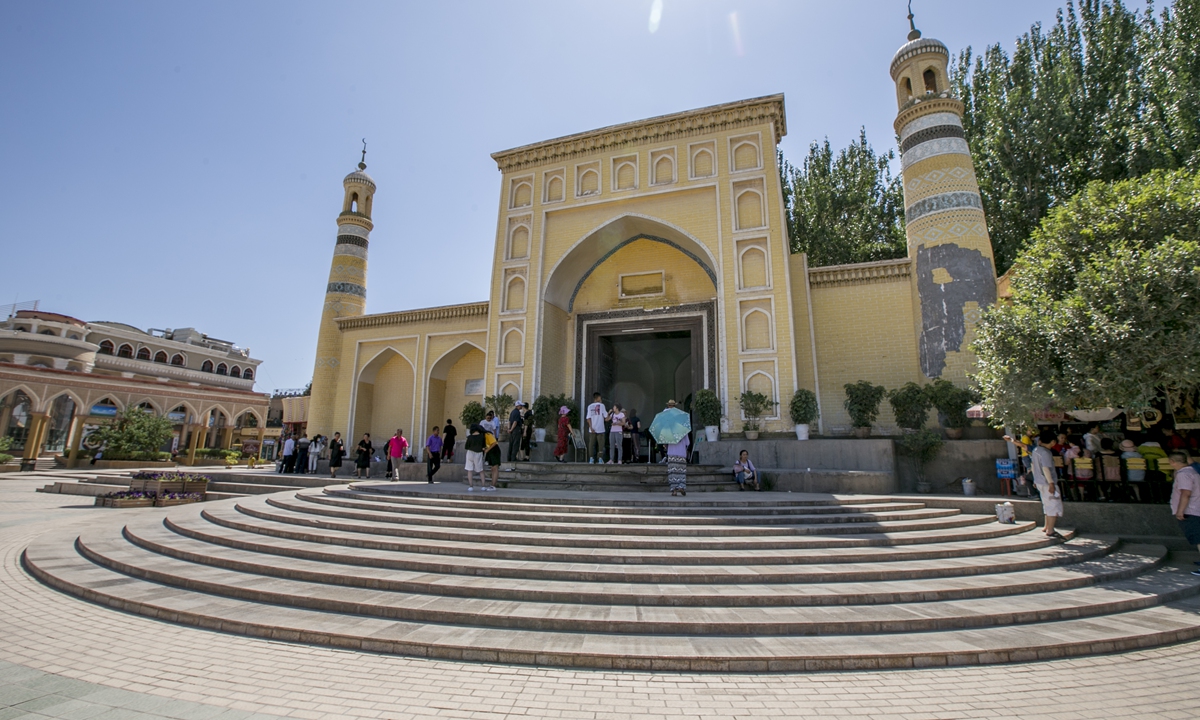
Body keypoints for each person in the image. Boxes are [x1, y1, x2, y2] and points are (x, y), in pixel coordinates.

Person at [1166, 451, 1200, 576]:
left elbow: (1186, 493)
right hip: (1196, 508)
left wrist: (1180, 510)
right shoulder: (1193, 471)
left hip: (1191, 510)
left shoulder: (1184, 474)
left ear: (1172, 462)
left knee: (1198, 538)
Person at [1030, 429, 1064, 540]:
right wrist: (1051, 483)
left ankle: (1046, 526)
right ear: (1053, 441)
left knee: (1046, 504)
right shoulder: (1046, 453)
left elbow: (1033, 466)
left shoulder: (1036, 450)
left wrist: (1035, 480)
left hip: (1039, 482)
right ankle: (1050, 530)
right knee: (1053, 505)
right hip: (1047, 483)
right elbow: (1046, 468)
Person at [663, 400, 690, 497]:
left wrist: (666, 444)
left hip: (672, 452)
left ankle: (674, 490)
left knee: (673, 472)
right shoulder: (683, 427)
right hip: (681, 453)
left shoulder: (668, 427)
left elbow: (665, 440)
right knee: (681, 471)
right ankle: (681, 487)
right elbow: (687, 442)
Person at [585, 392, 607, 464]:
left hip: (592, 428)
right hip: (600, 428)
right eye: (600, 397)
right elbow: (606, 416)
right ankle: (600, 458)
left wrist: (591, 427)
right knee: (601, 444)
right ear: (597, 398)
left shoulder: (589, 406)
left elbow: (588, 418)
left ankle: (591, 458)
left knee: (591, 444)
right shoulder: (602, 405)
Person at [463, 424, 486, 491]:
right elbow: (483, 447)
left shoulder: (469, 437)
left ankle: (471, 486)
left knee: (469, 470)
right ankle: (483, 486)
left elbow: (466, 447)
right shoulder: (482, 437)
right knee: (481, 470)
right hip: (479, 453)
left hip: (470, 453)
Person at [484, 423, 502, 491]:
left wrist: (487, 450)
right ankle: (492, 484)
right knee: (492, 468)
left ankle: (493, 485)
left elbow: (494, 443)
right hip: (490, 452)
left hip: (494, 451)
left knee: (495, 468)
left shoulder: (488, 435)